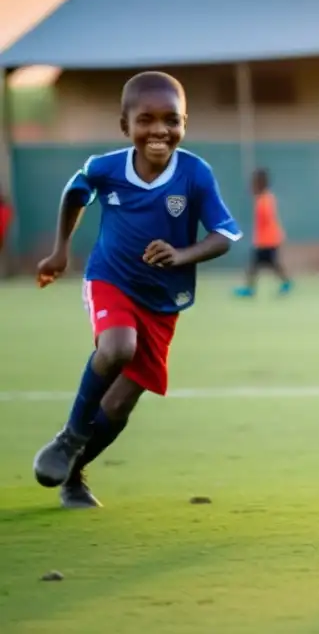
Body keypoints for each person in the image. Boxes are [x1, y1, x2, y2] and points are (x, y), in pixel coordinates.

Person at [33, 71, 241, 509]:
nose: (159, 130)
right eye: (146, 119)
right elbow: (75, 194)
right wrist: (59, 252)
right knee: (118, 347)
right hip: (111, 279)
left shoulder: (195, 174)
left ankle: (74, 473)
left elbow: (224, 234)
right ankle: (69, 437)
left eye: (172, 119)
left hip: (163, 301)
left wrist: (181, 255)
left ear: (186, 123)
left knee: (123, 401)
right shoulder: (105, 168)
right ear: (125, 125)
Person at [235, 168, 292, 297]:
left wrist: (266, 237)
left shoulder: (264, 200)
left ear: (260, 183)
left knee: (257, 265)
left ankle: (250, 289)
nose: (251, 186)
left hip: (267, 241)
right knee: (269, 264)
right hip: (267, 240)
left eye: (254, 183)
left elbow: (268, 220)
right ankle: (285, 284)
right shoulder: (264, 198)